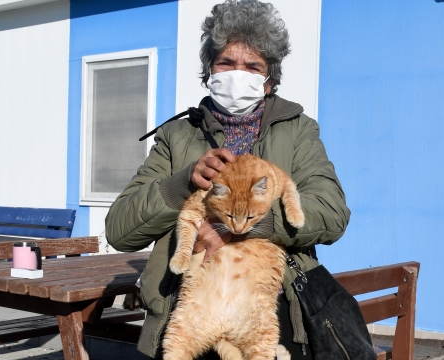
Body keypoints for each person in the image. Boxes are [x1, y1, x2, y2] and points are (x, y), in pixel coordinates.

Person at [105, 0, 350, 358]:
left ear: (270, 80)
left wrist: (250, 223)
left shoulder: (298, 132)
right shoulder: (177, 136)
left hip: (269, 308)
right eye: (226, 63)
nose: (238, 74)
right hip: (190, 306)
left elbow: (331, 212)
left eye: (253, 66)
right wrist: (182, 185)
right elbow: (119, 230)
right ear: (209, 70)